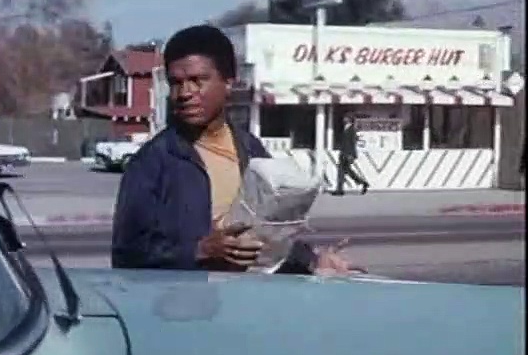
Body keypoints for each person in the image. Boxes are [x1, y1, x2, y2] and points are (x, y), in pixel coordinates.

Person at [111, 25, 351, 274]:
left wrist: (313, 260)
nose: (184, 93)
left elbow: (271, 232)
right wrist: (200, 250)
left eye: (197, 81)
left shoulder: (251, 149)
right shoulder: (152, 162)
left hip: (247, 293)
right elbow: (125, 256)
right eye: (175, 83)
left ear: (228, 83)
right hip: (186, 297)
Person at [331, 114, 369, 196]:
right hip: (343, 153)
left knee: (342, 171)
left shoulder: (352, 129)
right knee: (347, 171)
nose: (344, 119)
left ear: (349, 119)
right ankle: (362, 183)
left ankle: (340, 190)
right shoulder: (345, 128)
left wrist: (351, 155)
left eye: (345, 118)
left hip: (348, 154)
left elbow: (352, 143)